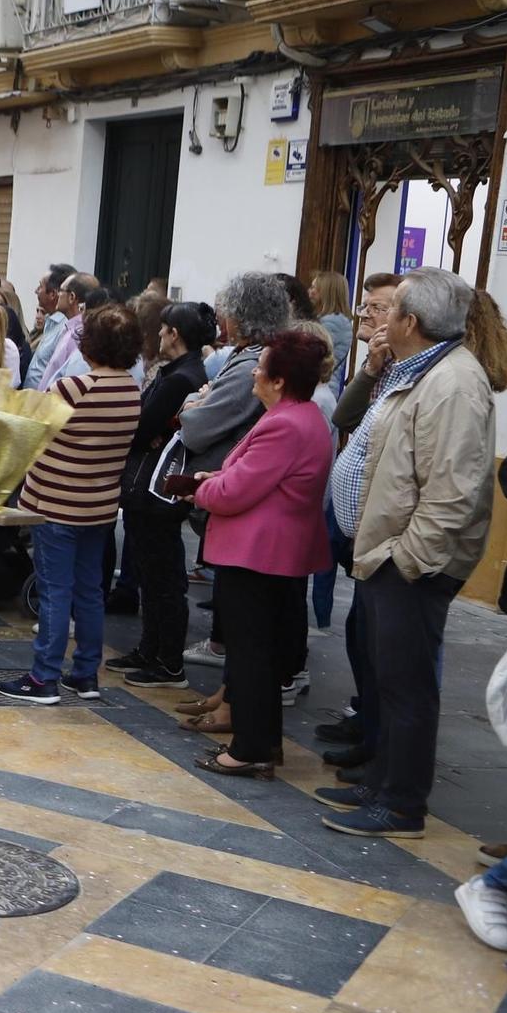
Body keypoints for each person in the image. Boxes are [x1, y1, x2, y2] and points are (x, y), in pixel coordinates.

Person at [323, 268, 495, 839]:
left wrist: (405, 559)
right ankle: (382, 782)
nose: (379, 318)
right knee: (388, 681)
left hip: (410, 564)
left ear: (411, 323)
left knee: (407, 686)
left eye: (390, 310)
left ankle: (401, 805)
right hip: (387, 555)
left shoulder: (453, 384)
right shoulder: (420, 370)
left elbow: (453, 492)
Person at [187, 330, 335, 778]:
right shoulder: (298, 416)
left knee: (251, 653)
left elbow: (235, 491)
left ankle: (249, 748)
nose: (255, 370)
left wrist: (202, 487)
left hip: (257, 553)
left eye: (263, 365)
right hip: (271, 551)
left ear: (279, 379)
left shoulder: (285, 423)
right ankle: (264, 741)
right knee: (261, 651)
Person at [0, 305, 142, 703]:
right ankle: (85, 674)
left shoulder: (74, 387)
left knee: (55, 591)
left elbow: (31, 430)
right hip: (98, 505)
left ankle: (44, 676)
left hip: (56, 503)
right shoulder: (131, 389)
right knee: (90, 591)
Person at [177, 272, 291, 669]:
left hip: (235, 498)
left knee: (244, 607)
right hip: (226, 490)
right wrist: (199, 399)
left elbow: (195, 425)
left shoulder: (249, 367)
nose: (222, 319)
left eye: (227, 311)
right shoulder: (246, 358)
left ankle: (232, 680)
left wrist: (195, 401)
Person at [111, 301, 214, 688]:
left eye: (164, 329)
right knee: (151, 572)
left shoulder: (181, 379)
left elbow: (142, 425)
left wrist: (148, 429)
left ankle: (168, 661)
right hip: (147, 485)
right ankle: (150, 648)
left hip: (156, 489)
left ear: (175, 334)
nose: (158, 334)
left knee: (162, 577)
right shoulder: (178, 374)